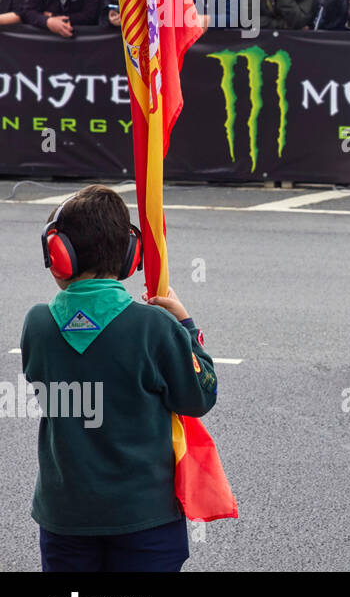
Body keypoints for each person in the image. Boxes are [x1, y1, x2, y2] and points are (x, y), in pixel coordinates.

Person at [21, 185, 218, 570]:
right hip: (146, 519)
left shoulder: (37, 324)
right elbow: (199, 396)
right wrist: (186, 327)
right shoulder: (155, 326)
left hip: (65, 518)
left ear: (58, 255)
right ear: (131, 256)